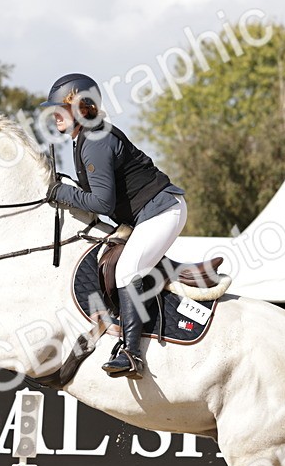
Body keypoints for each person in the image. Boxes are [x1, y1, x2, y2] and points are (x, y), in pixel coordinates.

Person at [42, 73, 188, 379]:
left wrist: (61, 193)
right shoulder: (85, 137)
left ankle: (132, 354)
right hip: (144, 215)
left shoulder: (94, 140)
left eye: (60, 109)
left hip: (162, 212)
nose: (54, 115)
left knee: (127, 270)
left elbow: (102, 203)